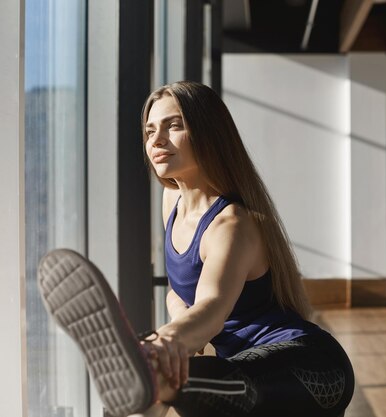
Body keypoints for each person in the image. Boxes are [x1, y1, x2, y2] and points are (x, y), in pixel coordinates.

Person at [37, 81, 354, 417]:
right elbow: (179, 292)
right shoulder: (172, 201)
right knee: (150, 399)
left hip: (308, 365)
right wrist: (177, 339)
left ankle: (151, 375)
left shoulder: (232, 225)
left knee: (205, 383)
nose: (156, 140)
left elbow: (212, 307)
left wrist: (168, 339)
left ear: (208, 133)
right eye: (150, 131)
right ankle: (150, 382)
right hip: (232, 366)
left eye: (174, 126)